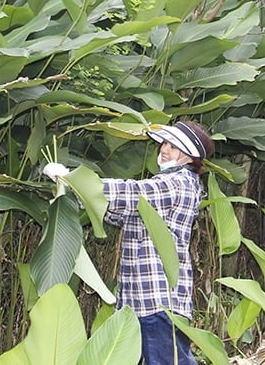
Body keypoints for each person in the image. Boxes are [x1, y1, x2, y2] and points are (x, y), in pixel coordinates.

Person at [44, 120, 215, 365]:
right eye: (164, 143)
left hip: (160, 302)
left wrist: (73, 178)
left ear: (188, 158)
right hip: (138, 302)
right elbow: (117, 211)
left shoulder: (180, 183)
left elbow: (133, 194)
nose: (164, 150)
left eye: (173, 147)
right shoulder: (166, 183)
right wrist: (74, 191)